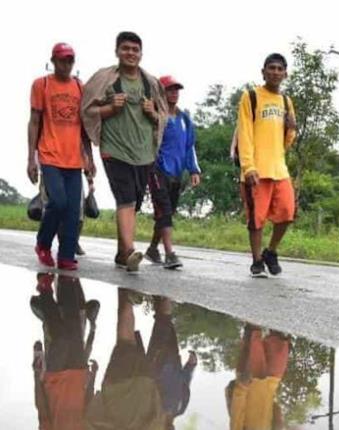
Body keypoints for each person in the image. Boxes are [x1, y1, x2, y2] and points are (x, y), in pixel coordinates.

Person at [81, 31, 167, 273]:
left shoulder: (151, 83)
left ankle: (121, 254)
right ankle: (129, 252)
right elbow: (86, 112)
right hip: (114, 150)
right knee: (126, 199)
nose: (130, 53)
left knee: (134, 202)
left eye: (135, 49)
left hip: (144, 153)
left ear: (141, 54)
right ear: (117, 51)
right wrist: (109, 108)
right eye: (126, 48)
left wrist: (153, 113)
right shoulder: (104, 79)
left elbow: (163, 116)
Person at [28, 42, 96, 271]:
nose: (66, 64)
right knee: (58, 202)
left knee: (73, 210)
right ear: (53, 61)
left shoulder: (79, 86)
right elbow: (35, 121)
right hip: (49, 155)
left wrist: (90, 158)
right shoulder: (42, 85)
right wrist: (31, 158)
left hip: (74, 158)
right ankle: (43, 244)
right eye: (62, 59)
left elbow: (85, 127)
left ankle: (66, 255)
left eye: (70, 60)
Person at [236, 53, 297, 278]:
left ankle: (270, 251)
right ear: (263, 71)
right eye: (271, 68)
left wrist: (291, 129)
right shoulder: (250, 97)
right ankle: (256, 260)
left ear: (285, 74)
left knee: (288, 213)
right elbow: (245, 132)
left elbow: (286, 142)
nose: (275, 72)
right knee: (256, 218)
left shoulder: (286, 101)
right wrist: (248, 167)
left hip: (279, 169)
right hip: (256, 170)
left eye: (279, 69)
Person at [86, 288, 165, 429]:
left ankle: (128, 294)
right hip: (117, 391)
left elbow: (159, 420)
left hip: (144, 390)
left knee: (127, 342)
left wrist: (154, 390)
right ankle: (124, 291)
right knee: (125, 341)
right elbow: (91, 419)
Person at [30, 273, 100, 429]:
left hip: (55, 377)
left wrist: (36, 374)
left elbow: (42, 408)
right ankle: (65, 280)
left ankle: (45, 289)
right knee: (74, 325)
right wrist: (93, 377)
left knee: (60, 337)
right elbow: (88, 406)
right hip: (78, 373)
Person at [145, 75, 201, 269]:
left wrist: (193, 170)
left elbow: (189, 146)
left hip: (176, 174)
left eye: (176, 90)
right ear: (161, 92)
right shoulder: (155, 115)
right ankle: (170, 254)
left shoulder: (184, 118)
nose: (174, 93)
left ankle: (153, 248)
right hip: (157, 169)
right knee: (165, 211)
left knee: (166, 214)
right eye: (169, 89)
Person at [146, 296, 198, 427]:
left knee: (163, 321)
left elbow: (146, 386)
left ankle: (165, 292)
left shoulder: (152, 411)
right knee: (165, 322)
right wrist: (191, 365)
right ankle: (160, 295)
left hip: (157, 359)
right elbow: (185, 385)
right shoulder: (180, 409)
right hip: (174, 359)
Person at [226, 324, 290, 430]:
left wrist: (242, 387)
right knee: (280, 343)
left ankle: (255, 312)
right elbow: (276, 410)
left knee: (254, 334)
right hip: (270, 384)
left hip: (250, 381)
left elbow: (237, 411)